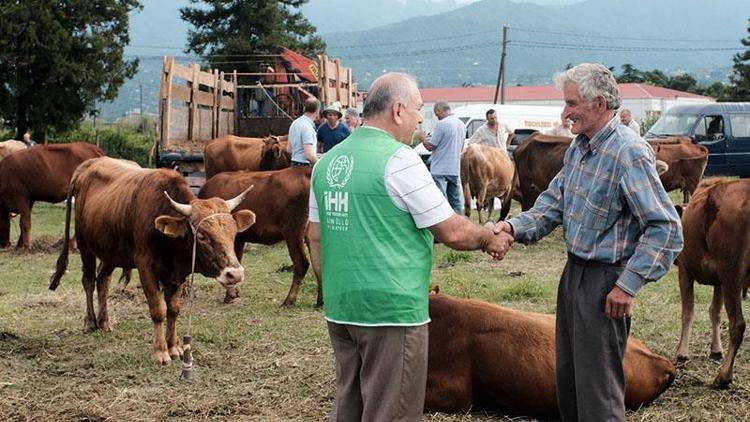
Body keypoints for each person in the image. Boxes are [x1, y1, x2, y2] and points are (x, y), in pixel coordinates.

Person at [308, 72, 514, 422]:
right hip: (391, 311)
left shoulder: (326, 163)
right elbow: (451, 230)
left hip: (341, 308)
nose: (422, 119)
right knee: (393, 410)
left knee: (351, 404)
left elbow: (315, 235)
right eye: (420, 109)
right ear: (398, 110)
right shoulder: (400, 161)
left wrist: (332, 287)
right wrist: (487, 235)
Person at [494, 63, 683, 422]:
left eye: (571, 104)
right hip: (575, 274)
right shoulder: (581, 148)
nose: (564, 114)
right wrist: (512, 229)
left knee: (598, 393)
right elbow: (553, 203)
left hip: (605, 281)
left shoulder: (629, 152)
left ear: (598, 104)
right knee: (570, 381)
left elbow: (666, 228)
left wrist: (627, 285)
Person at [422, 101, 464, 213]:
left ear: (440, 110)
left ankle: (443, 224)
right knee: (456, 201)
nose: (437, 117)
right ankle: (459, 222)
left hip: (439, 168)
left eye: (437, 114)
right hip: (454, 168)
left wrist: (424, 139)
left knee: (440, 200)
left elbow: (431, 146)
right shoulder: (461, 124)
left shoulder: (442, 124)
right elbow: (461, 147)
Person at [288, 97, 320, 166]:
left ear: (304, 108)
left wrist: (317, 155)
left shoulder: (295, 123)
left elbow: (289, 149)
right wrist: (321, 164)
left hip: (293, 164)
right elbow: (309, 155)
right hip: (304, 167)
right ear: (317, 111)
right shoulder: (307, 127)